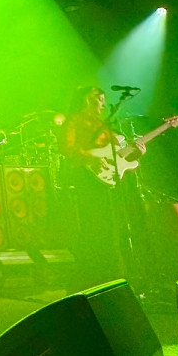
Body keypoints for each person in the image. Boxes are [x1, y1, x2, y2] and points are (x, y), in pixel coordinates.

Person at [56, 86, 140, 289]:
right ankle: (93, 277)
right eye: (100, 100)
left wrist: (136, 152)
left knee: (113, 228)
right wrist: (90, 159)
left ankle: (113, 277)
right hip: (88, 179)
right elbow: (66, 147)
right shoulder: (75, 120)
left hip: (110, 182)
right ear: (87, 100)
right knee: (94, 228)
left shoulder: (103, 124)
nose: (103, 104)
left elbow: (118, 155)